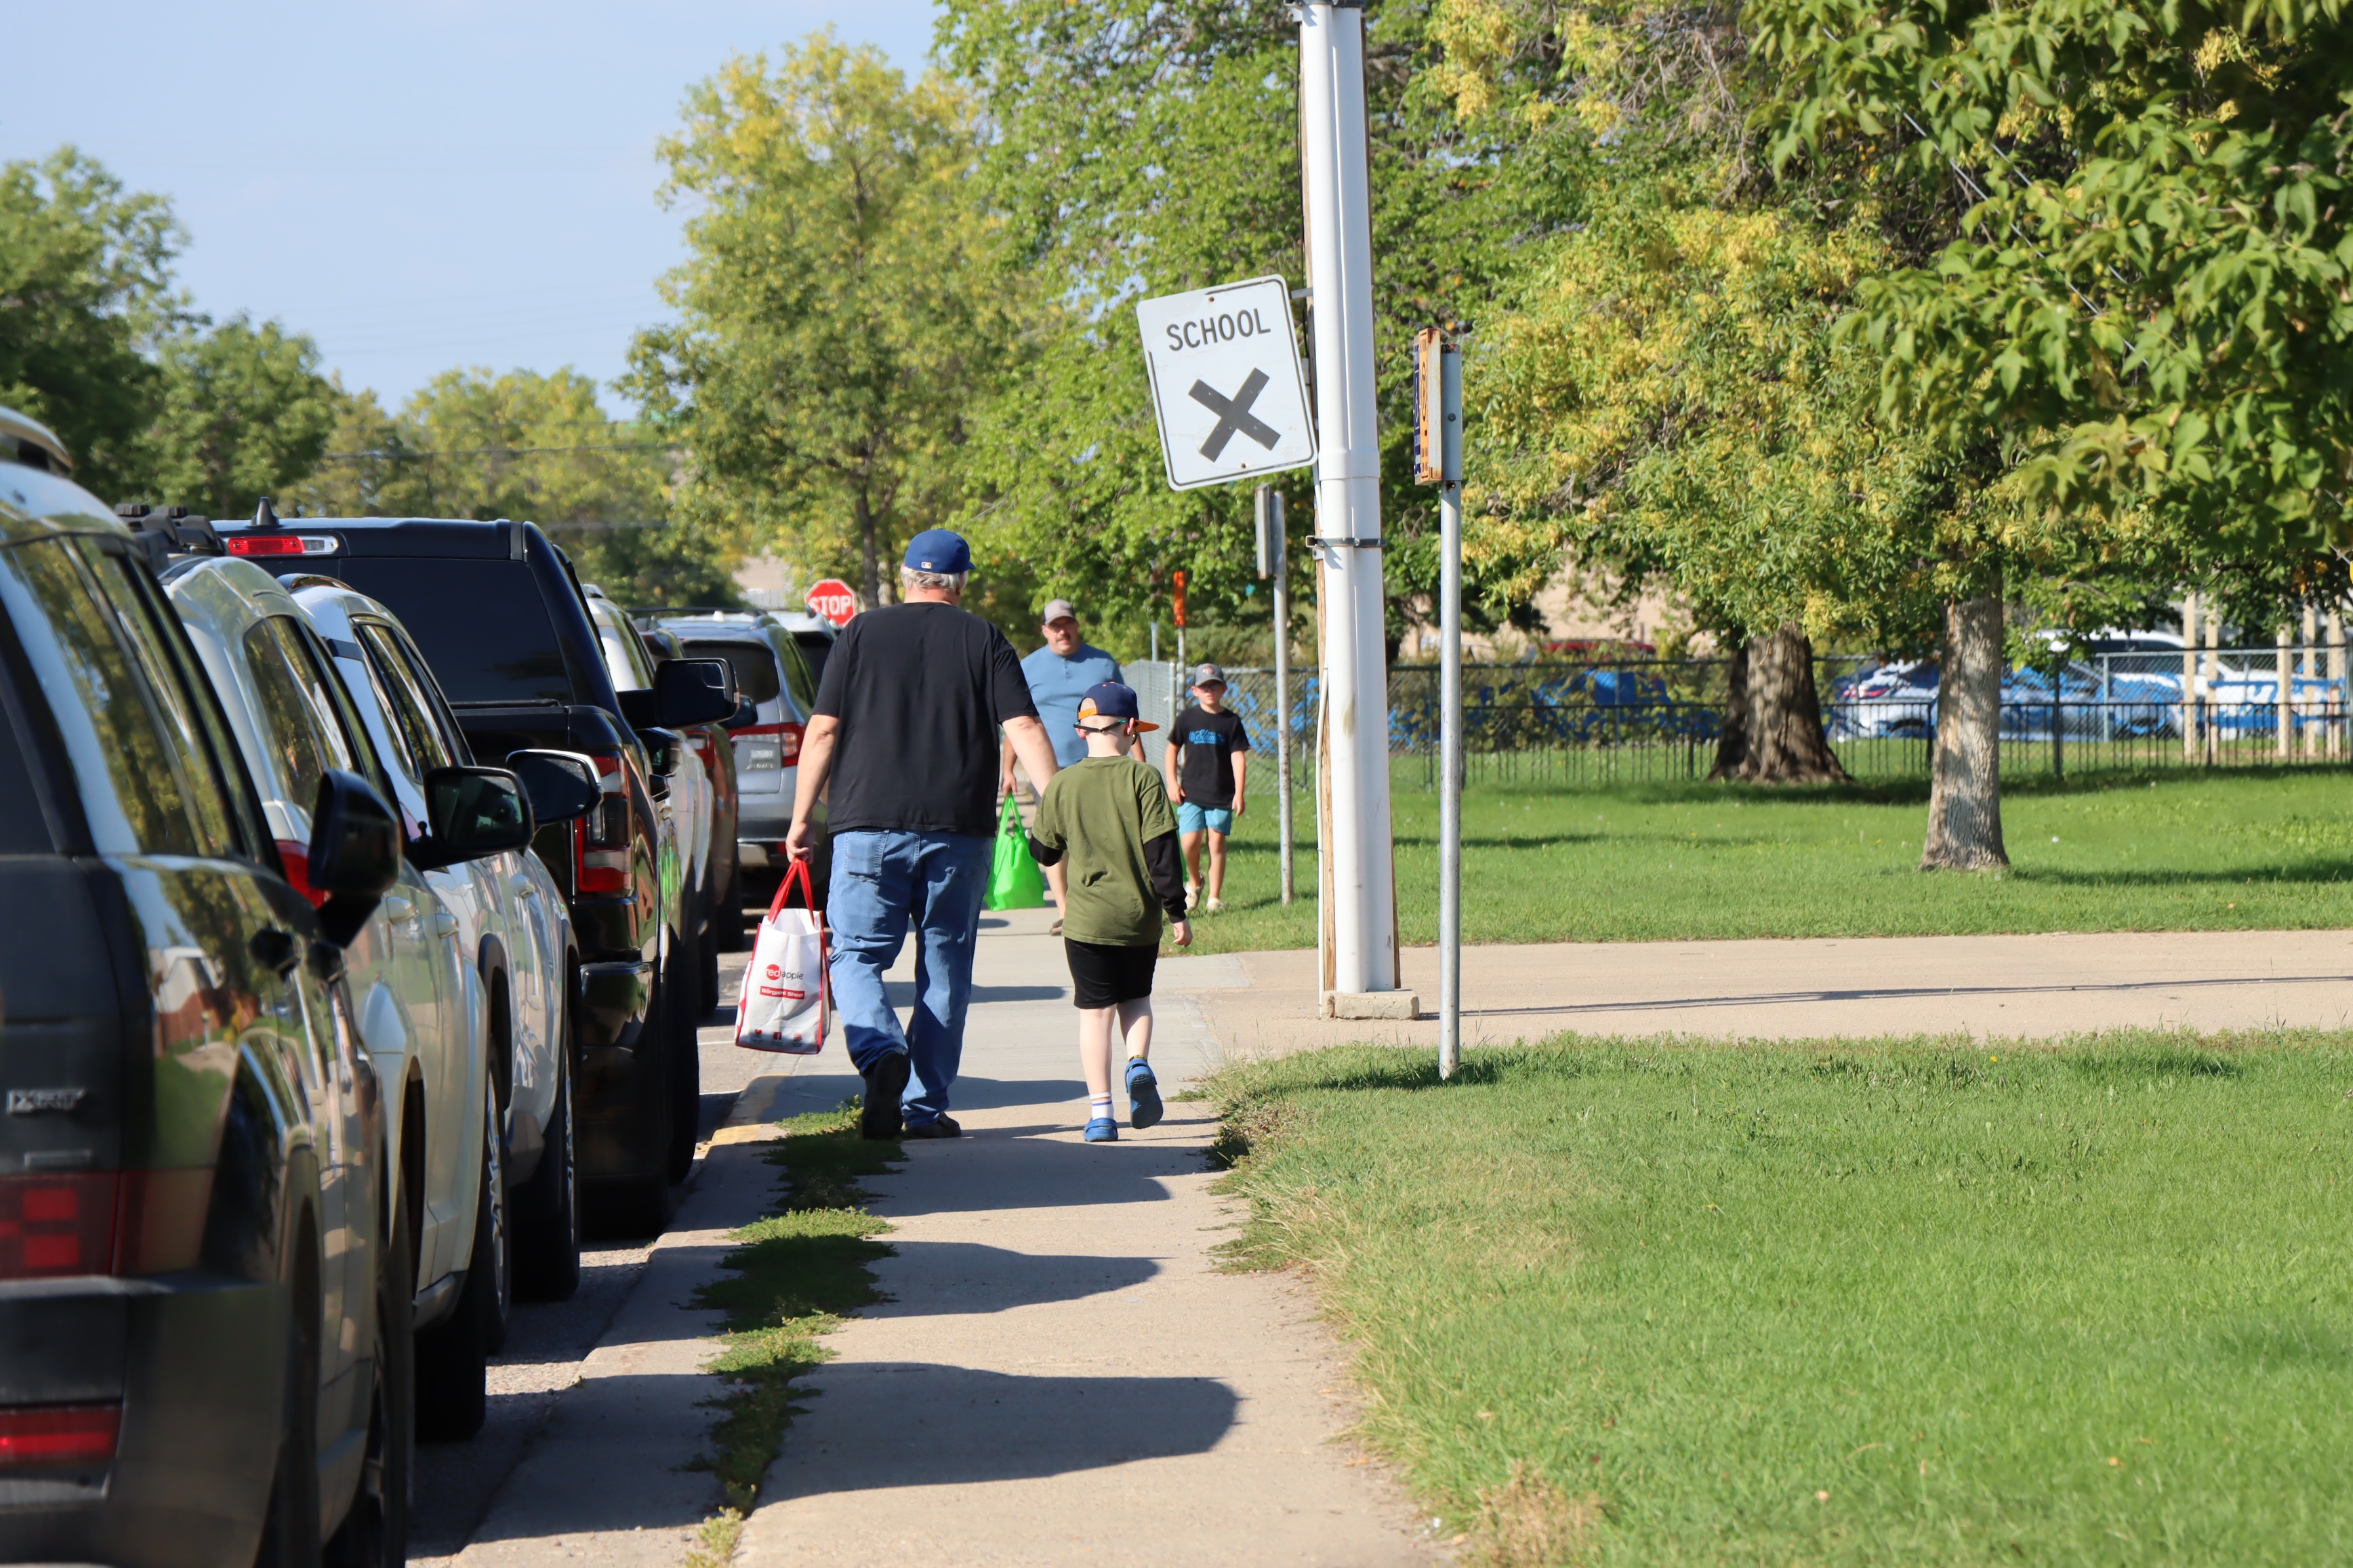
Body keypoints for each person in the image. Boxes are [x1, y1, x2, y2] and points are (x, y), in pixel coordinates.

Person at [785, 529, 1063, 1140]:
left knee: (855, 956)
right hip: (958, 831)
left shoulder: (858, 633)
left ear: (909, 577)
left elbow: (825, 731)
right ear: (962, 584)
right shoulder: (983, 637)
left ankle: (881, 1051)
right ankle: (924, 1107)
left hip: (866, 826)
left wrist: (804, 815)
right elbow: (1022, 725)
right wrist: (1063, 805)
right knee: (944, 967)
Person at [1025, 682, 1191, 1142]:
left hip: (1086, 924)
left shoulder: (1063, 784)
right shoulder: (1145, 779)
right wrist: (1177, 912)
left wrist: (1047, 817)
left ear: (1081, 732)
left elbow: (1044, 852)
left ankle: (1101, 1115)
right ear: (1132, 729)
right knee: (1136, 999)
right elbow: (1163, 854)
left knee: (1095, 1014)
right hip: (1138, 920)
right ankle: (1137, 1062)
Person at [1000, 599, 1121, 934]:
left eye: (1067, 624)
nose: (1062, 631)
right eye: (1055, 626)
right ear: (1045, 631)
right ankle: (1067, 910)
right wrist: (1008, 770)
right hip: (1049, 773)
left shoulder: (1102, 663)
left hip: (1101, 767)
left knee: (1100, 837)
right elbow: (1016, 721)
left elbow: (1127, 714)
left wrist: (1136, 761)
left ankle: (1098, 904)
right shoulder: (1029, 666)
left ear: (1077, 625)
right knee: (1057, 841)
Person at [1163, 663, 1250, 913]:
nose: (1209, 690)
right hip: (1191, 792)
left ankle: (1214, 897)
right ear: (1194, 691)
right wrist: (1172, 781)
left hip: (1221, 794)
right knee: (1189, 842)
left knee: (1217, 843)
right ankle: (1194, 880)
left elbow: (1238, 757)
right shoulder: (1187, 718)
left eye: (1214, 685)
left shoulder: (1231, 721)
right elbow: (1172, 749)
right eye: (1203, 686)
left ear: (1223, 688)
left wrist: (1239, 793)